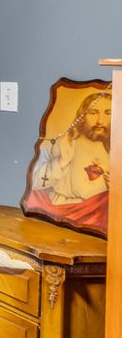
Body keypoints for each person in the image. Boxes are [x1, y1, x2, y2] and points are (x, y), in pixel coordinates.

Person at [24, 91, 111, 232]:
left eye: (108, 113)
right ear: (82, 116)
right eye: (93, 113)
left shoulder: (115, 150)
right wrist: (62, 162)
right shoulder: (62, 143)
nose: (100, 121)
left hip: (97, 221)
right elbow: (35, 182)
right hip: (59, 214)